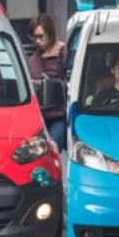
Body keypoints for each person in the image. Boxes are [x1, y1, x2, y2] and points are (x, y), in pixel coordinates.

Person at [27, 14, 67, 151]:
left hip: (58, 115)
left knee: (52, 150)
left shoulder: (63, 52)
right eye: (35, 37)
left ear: (51, 34)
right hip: (38, 116)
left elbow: (72, 82)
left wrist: (50, 85)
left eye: (41, 36)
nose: (38, 41)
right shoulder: (34, 58)